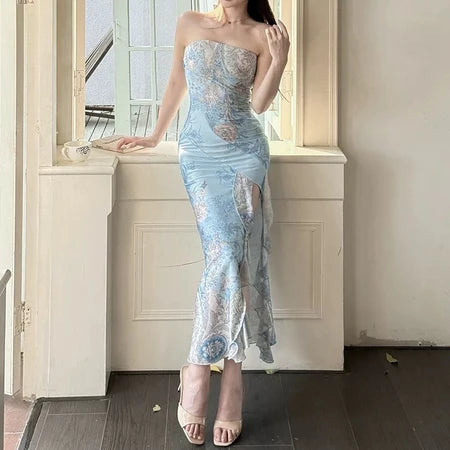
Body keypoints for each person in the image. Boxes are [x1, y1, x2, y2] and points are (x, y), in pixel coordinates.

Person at [116, 0, 289, 446]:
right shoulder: (189, 23)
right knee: (226, 255)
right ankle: (213, 372)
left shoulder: (264, 35)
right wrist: (154, 135)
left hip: (245, 154)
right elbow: (177, 80)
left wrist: (280, 59)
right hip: (198, 155)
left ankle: (210, 373)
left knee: (232, 260)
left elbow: (259, 103)